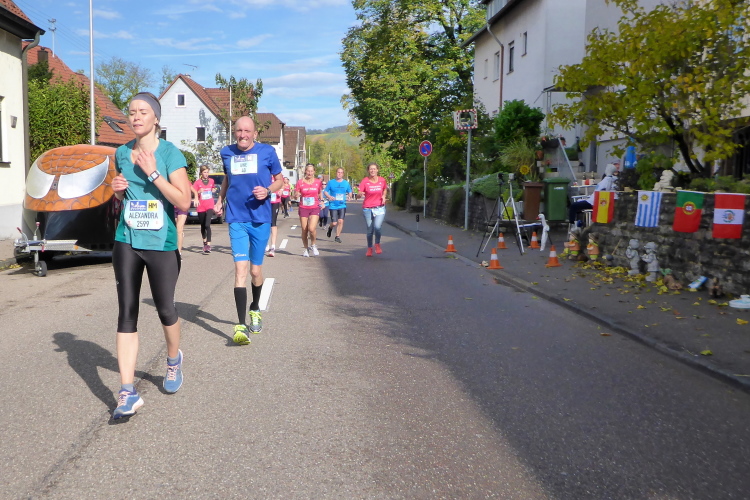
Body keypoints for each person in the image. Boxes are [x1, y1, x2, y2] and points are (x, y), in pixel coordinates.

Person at [110, 92, 192, 419]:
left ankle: (173, 361)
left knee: (165, 309)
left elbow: (184, 201)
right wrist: (117, 191)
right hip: (127, 239)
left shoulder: (171, 154)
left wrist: (154, 173)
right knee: (126, 312)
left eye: (143, 112)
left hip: (161, 243)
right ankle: (127, 391)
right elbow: (122, 195)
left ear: (156, 118)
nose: (136, 117)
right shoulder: (121, 153)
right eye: (132, 112)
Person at [215, 116, 283, 345]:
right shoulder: (226, 152)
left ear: (255, 133)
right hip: (236, 218)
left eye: (247, 131)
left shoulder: (267, 152)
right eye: (239, 131)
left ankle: (255, 308)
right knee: (240, 270)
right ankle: (241, 325)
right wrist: (220, 199)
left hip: (260, 218)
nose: (243, 135)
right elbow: (227, 179)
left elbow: (280, 180)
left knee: (255, 272)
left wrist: (268, 190)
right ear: (234, 132)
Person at [359, 162, 388, 257]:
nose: (372, 170)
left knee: (377, 227)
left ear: (377, 170)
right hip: (368, 208)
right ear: (368, 170)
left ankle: (377, 244)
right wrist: (359, 194)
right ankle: (369, 248)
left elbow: (385, 189)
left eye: (374, 169)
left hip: (380, 207)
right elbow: (359, 193)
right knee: (370, 230)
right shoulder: (365, 181)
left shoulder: (382, 180)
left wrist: (384, 196)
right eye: (371, 169)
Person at [296, 163, 323, 257]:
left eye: (311, 171)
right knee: (304, 229)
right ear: (305, 171)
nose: (310, 173)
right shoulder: (300, 182)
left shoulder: (318, 182)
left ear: (314, 172)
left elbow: (319, 192)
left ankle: (313, 245)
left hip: (314, 207)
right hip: (303, 207)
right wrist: (296, 195)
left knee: (311, 228)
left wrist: (322, 201)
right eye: (308, 171)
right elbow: (296, 193)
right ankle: (306, 248)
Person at [324, 167, 352, 243]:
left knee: (340, 221)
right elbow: (325, 191)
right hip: (333, 205)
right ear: (336, 173)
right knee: (334, 223)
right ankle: (330, 228)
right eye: (338, 172)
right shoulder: (331, 182)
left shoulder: (346, 183)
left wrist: (349, 196)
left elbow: (349, 191)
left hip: (342, 205)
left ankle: (337, 236)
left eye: (341, 172)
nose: (339, 174)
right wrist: (329, 196)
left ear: (343, 174)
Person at [193, 165, 217, 254]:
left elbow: (213, 187)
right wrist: (198, 192)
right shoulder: (197, 182)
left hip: (210, 205)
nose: (206, 174)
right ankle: (204, 243)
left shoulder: (211, 181)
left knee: (207, 224)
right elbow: (193, 192)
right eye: (204, 172)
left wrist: (213, 189)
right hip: (201, 206)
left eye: (207, 172)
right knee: (203, 225)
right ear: (201, 173)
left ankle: (208, 245)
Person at [266, 185, 283, 257]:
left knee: (273, 223)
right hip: (265, 201)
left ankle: (273, 246)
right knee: (265, 223)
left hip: (275, 201)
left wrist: (281, 190)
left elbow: (282, 184)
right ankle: (265, 244)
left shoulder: (277, 177)